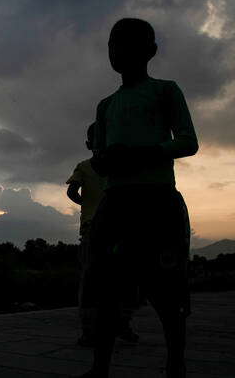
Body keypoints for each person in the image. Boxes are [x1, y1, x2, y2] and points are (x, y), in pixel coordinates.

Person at [80, 18, 198, 378]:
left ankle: (175, 363)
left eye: (129, 44)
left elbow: (188, 142)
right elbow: (99, 160)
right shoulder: (105, 106)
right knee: (106, 290)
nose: (119, 52)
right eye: (114, 45)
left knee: (166, 289)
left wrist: (139, 153)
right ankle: (99, 368)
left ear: (151, 51)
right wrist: (107, 159)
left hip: (157, 200)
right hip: (115, 204)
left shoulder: (165, 91)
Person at [67, 124, 139, 348]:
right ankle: (122, 324)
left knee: (90, 281)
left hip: (92, 228)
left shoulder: (83, 166)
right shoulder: (122, 167)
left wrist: (88, 205)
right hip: (120, 229)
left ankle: (89, 332)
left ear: (89, 144)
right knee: (125, 279)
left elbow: (71, 192)